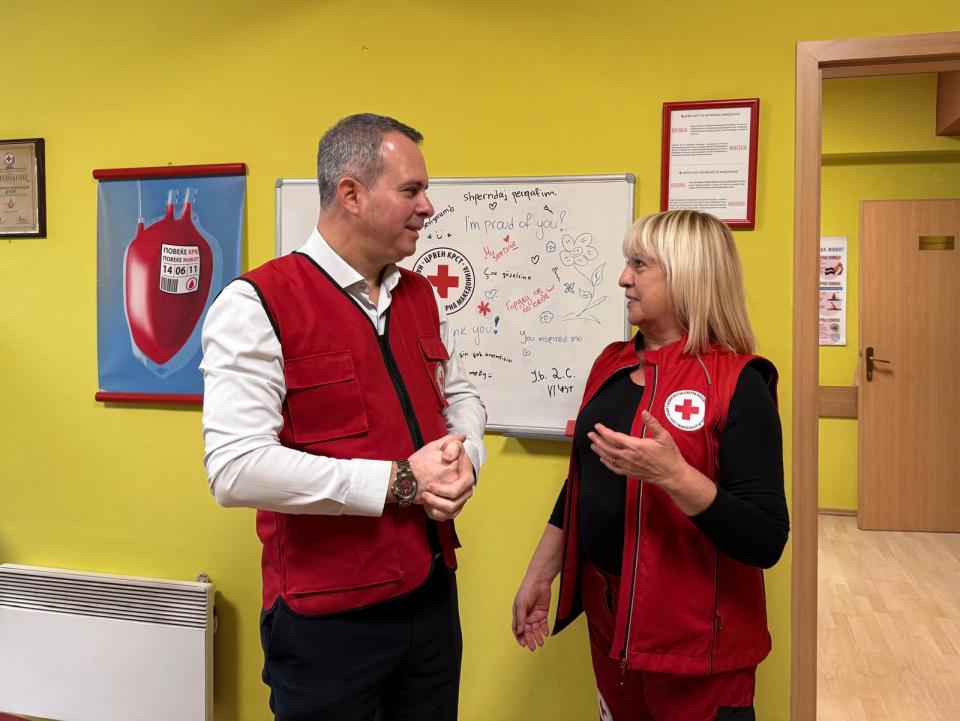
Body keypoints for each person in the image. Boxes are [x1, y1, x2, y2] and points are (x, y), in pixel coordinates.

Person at [200, 113, 486, 721]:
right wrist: (398, 482)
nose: (428, 207)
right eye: (411, 190)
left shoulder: (420, 296)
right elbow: (234, 468)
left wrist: (468, 457)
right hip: (328, 622)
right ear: (351, 194)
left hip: (431, 600)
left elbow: (460, 398)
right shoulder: (256, 304)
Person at [511, 209, 788, 721]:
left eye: (639, 264)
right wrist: (540, 574)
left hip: (696, 647)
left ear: (687, 274)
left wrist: (675, 476)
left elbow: (766, 538)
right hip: (610, 626)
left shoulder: (739, 382)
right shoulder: (611, 364)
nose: (623, 278)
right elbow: (582, 481)